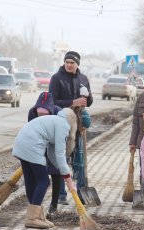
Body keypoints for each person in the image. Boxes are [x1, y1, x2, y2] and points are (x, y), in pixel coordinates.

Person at [12, 107, 78, 229]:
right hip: (32, 146)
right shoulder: (64, 125)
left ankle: (37, 216)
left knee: (31, 181)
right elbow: (59, 153)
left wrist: (62, 171)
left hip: (21, 144)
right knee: (43, 181)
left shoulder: (54, 120)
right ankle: (33, 218)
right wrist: (69, 179)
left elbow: (52, 153)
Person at [49, 50, 93, 203]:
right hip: (62, 124)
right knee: (62, 158)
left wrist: (87, 96)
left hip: (79, 124)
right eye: (66, 62)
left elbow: (89, 102)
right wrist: (72, 102)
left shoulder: (83, 78)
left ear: (77, 64)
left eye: (72, 62)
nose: (68, 65)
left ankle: (81, 192)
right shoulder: (56, 78)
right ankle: (61, 194)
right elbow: (52, 102)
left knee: (79, 161)